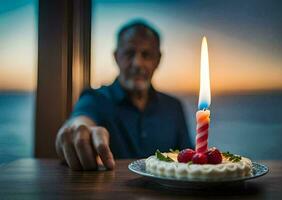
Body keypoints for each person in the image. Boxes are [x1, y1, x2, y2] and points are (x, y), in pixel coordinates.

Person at [55, 20, 192, 171]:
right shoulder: (95, 99)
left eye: (146, 55)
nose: (138, 63)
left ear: (158, 60)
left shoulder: (174, 107)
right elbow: (80, 121)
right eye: (129, 53)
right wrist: (77, 131)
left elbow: (188, 160)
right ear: (116, 56)